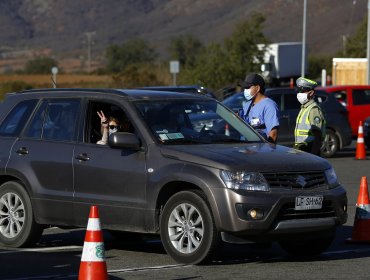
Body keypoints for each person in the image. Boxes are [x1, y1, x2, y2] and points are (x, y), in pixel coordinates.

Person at [239, 73, 279, 143]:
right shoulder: (247, 105)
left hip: (261, 151)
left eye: (248, 87)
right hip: (246, 149)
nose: (245, 90)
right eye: (245, 88)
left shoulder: (269, 105)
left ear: (257, 88)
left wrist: (267, 151)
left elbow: (273, 134)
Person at [294, 77, 326, 156]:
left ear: (311, 93)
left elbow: (317, 135)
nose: (299, 93)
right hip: (302, 150)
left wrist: (313, 156)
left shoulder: (313, 109)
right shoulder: (304, 107)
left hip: (309, 151)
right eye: (298, 91)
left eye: (302, 91)